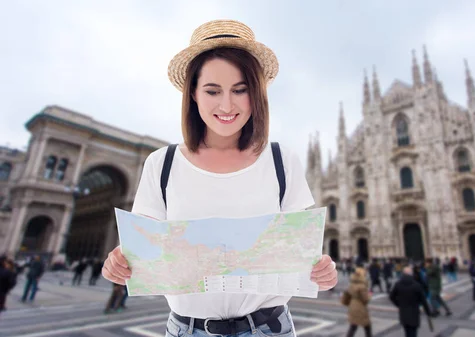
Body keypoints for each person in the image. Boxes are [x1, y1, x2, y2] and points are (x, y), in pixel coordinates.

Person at [101, 20, 338, 337]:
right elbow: (141, 250)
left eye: (240, 90)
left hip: (269, 329)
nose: (227, 105)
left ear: (256, 95)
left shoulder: (283, 161)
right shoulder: (162, 164)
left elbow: (302, 254)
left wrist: (323, 270)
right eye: (212, 91)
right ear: (194, 95)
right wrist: (119, 262)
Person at [389, 266, 432, 337]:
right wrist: (428, 312)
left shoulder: (398, 284)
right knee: (413, 332)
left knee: (407, 332)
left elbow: (391, 296)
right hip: (414, 313)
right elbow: (423, 300)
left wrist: (398, 304)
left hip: (403, 313)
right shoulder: (416, 285)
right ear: (411, 274)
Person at [342, 267, 372, 337]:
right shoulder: (362, 286)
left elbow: (346, 297)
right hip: (360, 308)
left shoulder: (351, 285)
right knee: (367, 326)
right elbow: (365, 299)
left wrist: (348, 303)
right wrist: (370, 294)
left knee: (353, 326)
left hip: (352, 307)